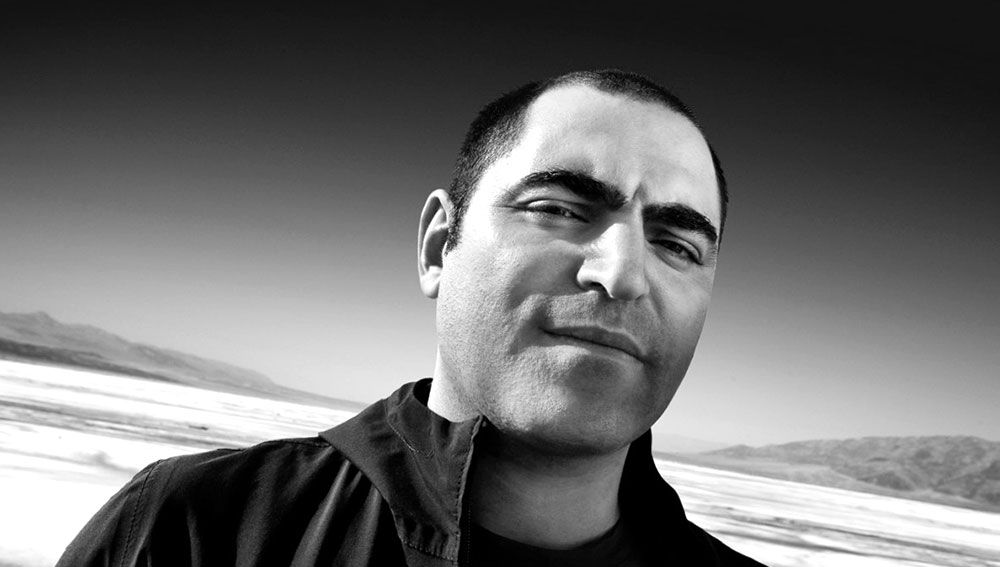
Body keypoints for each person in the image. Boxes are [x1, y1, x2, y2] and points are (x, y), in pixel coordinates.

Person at [57, 69, 766, 566]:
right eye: (558, 209)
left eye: (678, 245)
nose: (621, 273)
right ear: (437, 246)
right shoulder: (197, 529)